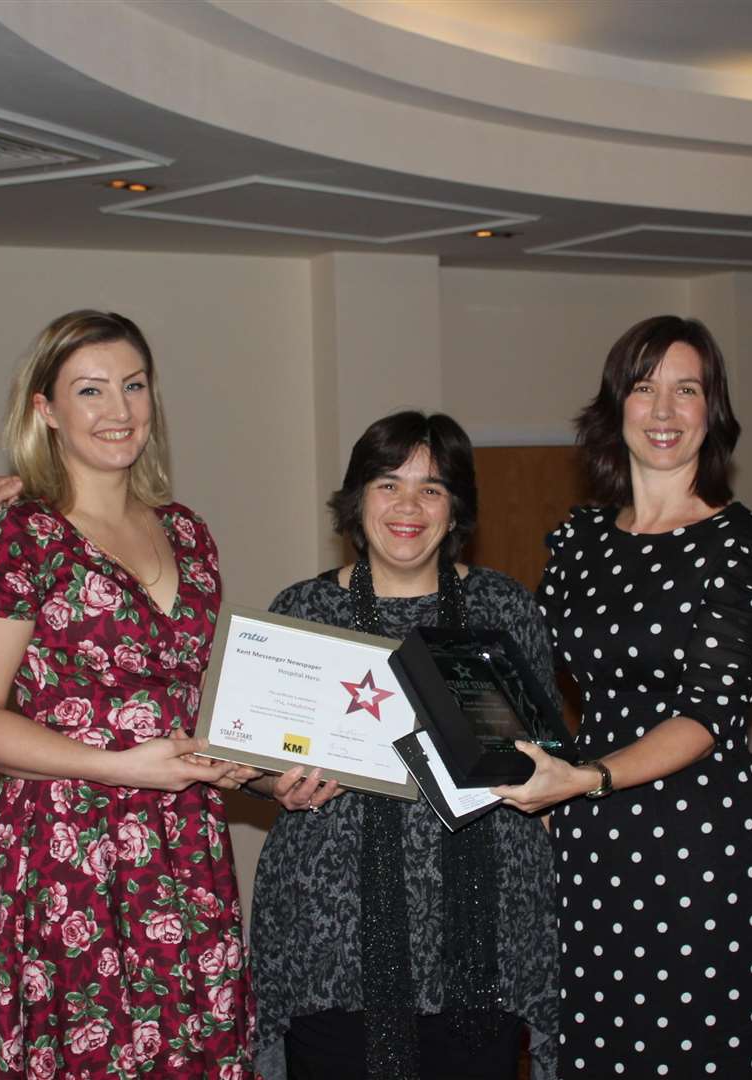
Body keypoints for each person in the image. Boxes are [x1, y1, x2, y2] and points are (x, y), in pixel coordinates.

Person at [495, 315, 752, 1077]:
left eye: (686, 390)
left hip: (696, 829)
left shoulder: (746, 545)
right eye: (644, 388)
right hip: (589, 833)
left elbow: (710, 714)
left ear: (713, 411)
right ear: (616, 407)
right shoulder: (580, 539)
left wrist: (590, 777)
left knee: (692, 1043)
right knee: (597, 1037)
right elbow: (532, 676)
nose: (664, 412)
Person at [0, 311, 255, 1078]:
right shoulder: (16, 537)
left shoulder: (188, 533)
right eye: (90, 391)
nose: (118, 411)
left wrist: (254, 764)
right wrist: (125, 768)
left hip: (183, 850)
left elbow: (176, 707)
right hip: (62, 856)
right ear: (45, 409)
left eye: (133, 386)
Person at [247, 411, 560, 1080]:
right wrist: (271, 782)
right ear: (357, 499)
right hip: (332, 938)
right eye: (388, 484)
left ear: (457, 508)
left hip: (482, 940)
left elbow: (548, 759)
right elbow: (252, 757)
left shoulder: (506, 608)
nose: (408, 506)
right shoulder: (302, 611)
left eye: (432, 488)